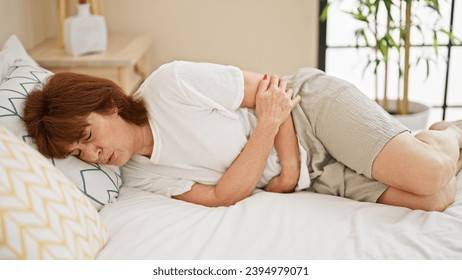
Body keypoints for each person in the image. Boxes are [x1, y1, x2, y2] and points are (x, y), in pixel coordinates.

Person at [23, 61, 462, 211]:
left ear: (109, 104)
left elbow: (275, 92)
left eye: (87, 134)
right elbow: (221, 196)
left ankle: (449, 132)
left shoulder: (169, 83)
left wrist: (287, 167)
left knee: (426, 175)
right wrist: (267, 127)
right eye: (79, 152)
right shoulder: (138, 175)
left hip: (312, 113)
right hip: (314, 173)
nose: (93, 153)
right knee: (434, 200)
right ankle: (424, 141)